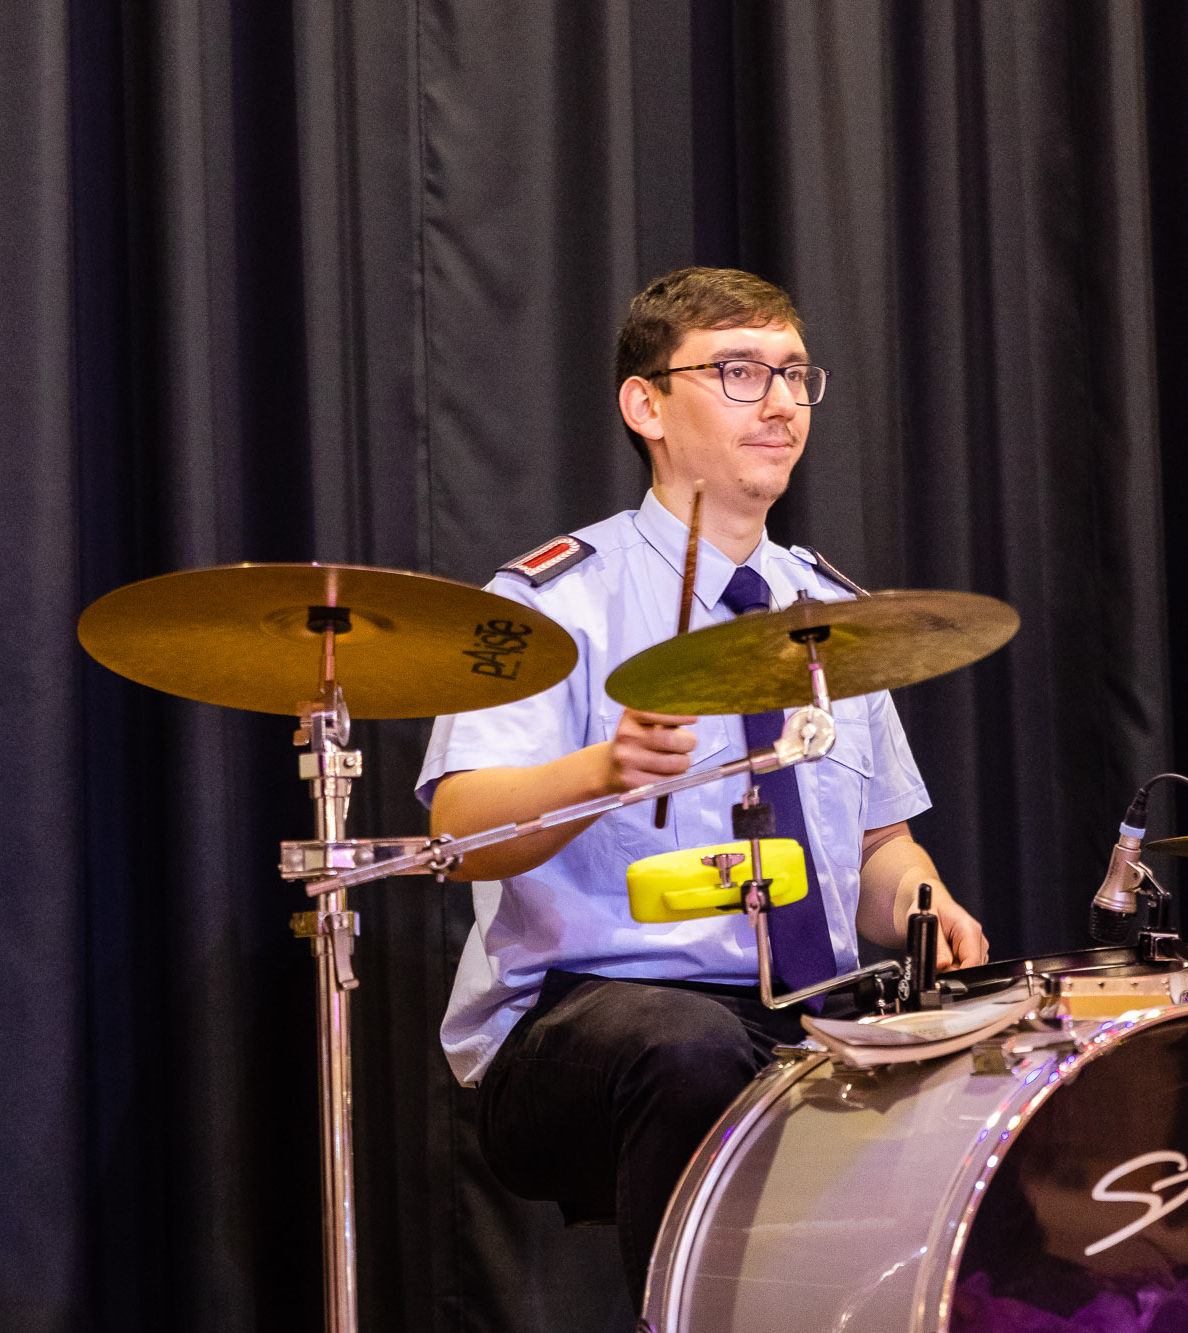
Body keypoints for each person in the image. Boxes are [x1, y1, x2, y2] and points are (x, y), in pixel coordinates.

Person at [416, 267, 989, 1301]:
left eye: (794, 375)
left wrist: (924, 904)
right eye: (738, 372)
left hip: (802, 1014)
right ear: (645, 405)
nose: (780, 402)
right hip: (585, 1018)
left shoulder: (833, 616)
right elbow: (458, 831)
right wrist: (599, 771)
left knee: (993, 1044)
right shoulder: (555, 601)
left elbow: (878, 848)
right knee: (691, 1051)